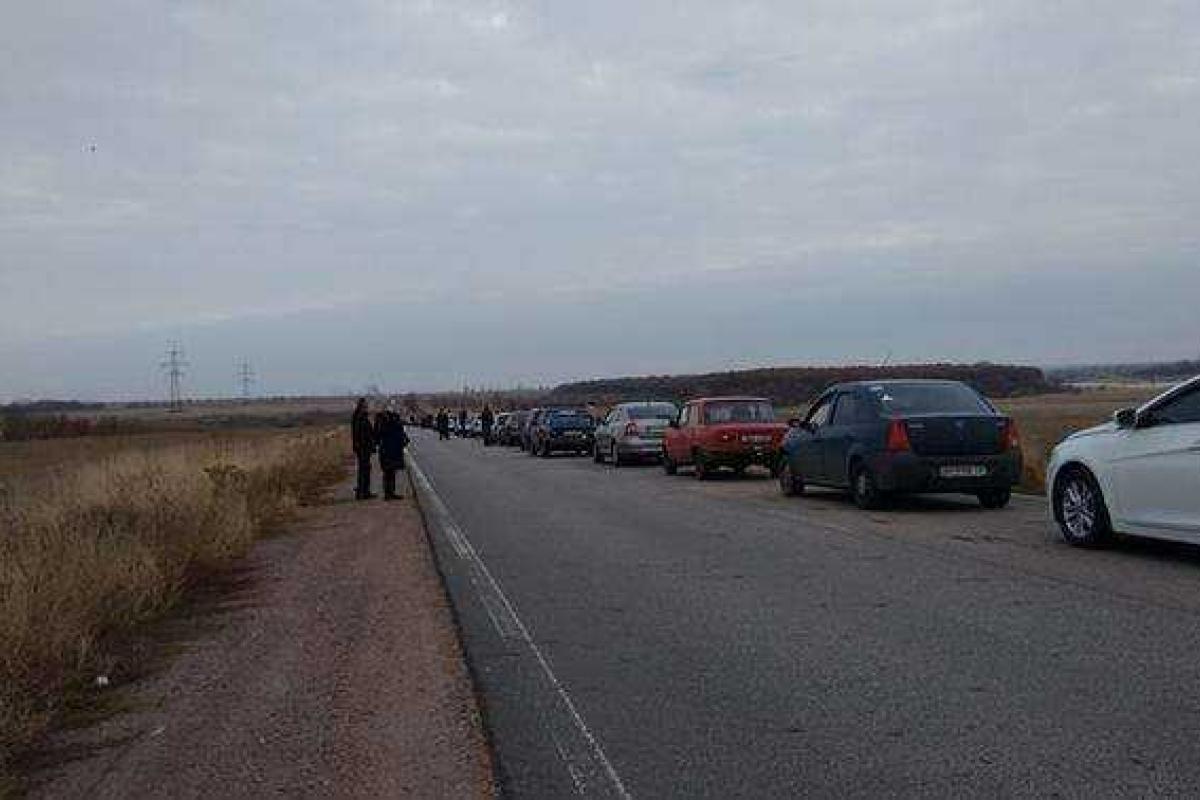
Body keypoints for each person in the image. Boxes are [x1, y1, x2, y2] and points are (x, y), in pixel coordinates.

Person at [374, 401, 410, 501]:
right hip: (388, 448)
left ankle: (391, 492)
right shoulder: (382, 419)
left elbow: (400, 431)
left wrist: (404, 439)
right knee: (388, 471)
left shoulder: (392, 418)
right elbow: (378, 433)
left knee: (391, 471)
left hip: (393, 448)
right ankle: (388, 493)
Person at [351, 397, 376, 500]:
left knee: (365, 469)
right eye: (365, 405)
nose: (367, 407)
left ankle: (365, 491)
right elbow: (358, 433)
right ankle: (362, 492)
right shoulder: (359, 417)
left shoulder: (360, 416)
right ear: (362, 406)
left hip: (364, 446)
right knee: (363, 469)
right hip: (362, 447)